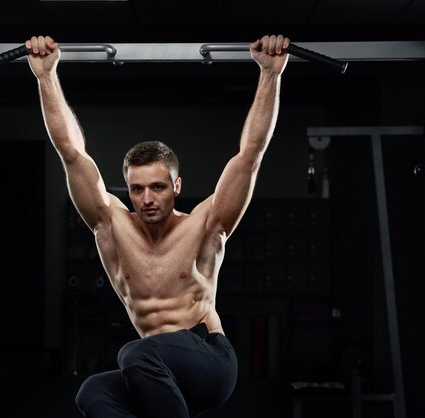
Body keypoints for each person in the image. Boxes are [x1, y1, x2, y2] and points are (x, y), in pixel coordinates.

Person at [26, 34, 289, 418]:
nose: (147, 198)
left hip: (209, 364)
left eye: (158, 187)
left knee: (134, 353)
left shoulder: (205, 227)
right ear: (127, 191)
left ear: (176, 187)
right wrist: (45, 76)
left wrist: (270, 74)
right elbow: (71, 153)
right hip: (157, 375)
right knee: (94, 392)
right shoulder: (110, 227)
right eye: (137, 189)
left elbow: (249, 156)